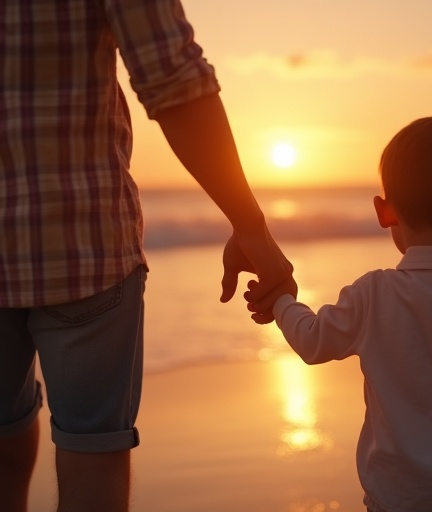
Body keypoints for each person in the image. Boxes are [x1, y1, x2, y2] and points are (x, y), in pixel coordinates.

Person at [0, 1, 292, 511]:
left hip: (80, 251)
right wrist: (250, 226)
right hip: (83, 246)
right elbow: (174, 81)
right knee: (93, 453)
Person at [247, 117, 432, 511]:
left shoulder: (372, 293)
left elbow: (312, 340)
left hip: (396, 500)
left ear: (384, 211)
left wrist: (282, 300)